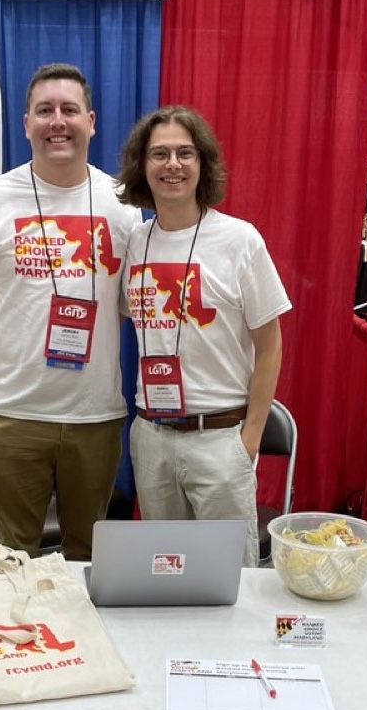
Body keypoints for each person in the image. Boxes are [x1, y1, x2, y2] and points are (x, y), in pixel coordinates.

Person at [0, 62, 139, 559]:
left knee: (87, 559)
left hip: (95, 417)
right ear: (26, 123)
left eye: (69, 110)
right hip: (11, 416)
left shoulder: (123, 206)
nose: (58, 121)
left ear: (91, 121)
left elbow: (124, 307)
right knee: (13, 563)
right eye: (44, 110)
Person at [116, 105, 289, 565]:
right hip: (152, 436)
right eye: (159, 154)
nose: (172, 164)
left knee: (229, 577)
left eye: (184, 153)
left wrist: (249, 437)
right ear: (142, 166)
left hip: (220, 438)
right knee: (165, 573)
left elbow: (270, 345)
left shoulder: (240, 240)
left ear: (202, 163)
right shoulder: (135, 242)